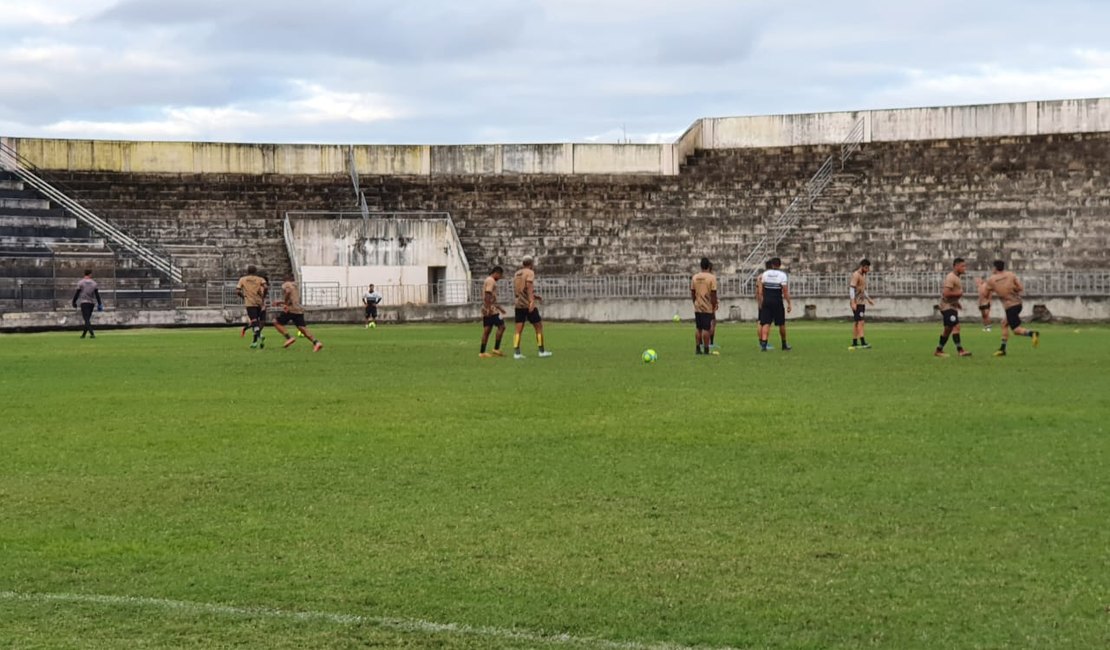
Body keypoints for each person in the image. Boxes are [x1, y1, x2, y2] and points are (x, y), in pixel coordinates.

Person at [985, 260, 1040, 356]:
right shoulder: (1011, 275)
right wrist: (1011, 289)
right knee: (1004, 324)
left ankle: (1032, 333)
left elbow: (985, 293)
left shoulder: (992, 279)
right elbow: (1020, 288)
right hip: (1018, 304)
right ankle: (1002, 349)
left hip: (1010, 307)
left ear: (994, 268)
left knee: (1016, 330)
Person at [512, 256, 551, 359]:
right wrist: (532, 301)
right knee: (538, 326)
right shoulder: (530, 273)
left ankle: (517, 353)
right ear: (531, 264)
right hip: (527, 304)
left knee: (518, 330)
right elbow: (529, 287)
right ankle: (541, 351)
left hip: (518, 304)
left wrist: (534, 296)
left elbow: (519, 289)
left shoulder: (517, 273)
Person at [271, 273, 323, 352]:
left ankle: (289, 338)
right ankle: (316, 342)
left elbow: (288, 292)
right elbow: (293, 297)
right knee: (302, 328)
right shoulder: (295, 285)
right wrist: (280, 302)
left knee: (275, 322)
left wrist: (285, 304)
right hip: (298, 309)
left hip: (290, 309)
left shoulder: (286, 284)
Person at [935, 258, 972, 357]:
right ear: (956, 266)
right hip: (947, 306)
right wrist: (958, 293)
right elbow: (946, 293)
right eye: (962, 266)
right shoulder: (951, 277)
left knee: (948, 329)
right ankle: (960, 350)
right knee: (955, 326)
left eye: (965, 266)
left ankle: (939, 350)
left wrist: (956, 302)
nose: (965, 268)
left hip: (951, 306)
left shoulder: (957, 277)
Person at [757, 257, 792, 351]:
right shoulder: (782, 275)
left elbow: (760, 291)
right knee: (781, 323)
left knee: (766, 323)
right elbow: (785, 291)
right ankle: (784, 344)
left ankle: (764, 345)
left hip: (767, 301)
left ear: (772, 265)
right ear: (779, 265)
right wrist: (789, 303)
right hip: (777, 301)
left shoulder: (765, 274)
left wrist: (761, 301)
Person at [690, 257, 719, 355]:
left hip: (698, 305)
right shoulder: (711, 278)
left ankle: (698, 348)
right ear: (708, 266)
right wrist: (714, 305)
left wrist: (695, 302)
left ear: (701, 266)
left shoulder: (695, 277)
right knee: (706, 328)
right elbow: (713, 293)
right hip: (707, 306)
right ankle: (706, 349)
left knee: (698, 328)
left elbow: (693, 292)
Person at [236, 264, 268, 349]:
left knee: (254, 321)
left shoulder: (242, 279)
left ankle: (259, 335)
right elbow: (266, 287)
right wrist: (263, 296)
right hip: (260, 303)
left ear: (247, 271)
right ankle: (255, 341)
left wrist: (244, 297)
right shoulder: (260, 279)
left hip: (250, 303)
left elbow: (238, 291)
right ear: (256, 271)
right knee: (261, 322)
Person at [479, 266, 507, 358]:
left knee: (487, 330)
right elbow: (488, 294)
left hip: (489, 308)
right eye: (500, 276)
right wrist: (489, 308)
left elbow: (491, 297)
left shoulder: (488, 280)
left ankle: (482, 352)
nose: (499, 278)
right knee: (502, 326)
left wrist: (499, 308)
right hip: (491, 309)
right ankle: (496, 349)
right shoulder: (491, 280)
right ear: (496, 273)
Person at [849, 258, 874, 350]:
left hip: (861, 302)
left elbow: (863, 290)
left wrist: (868, 299)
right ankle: (863, 342)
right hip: (857, 302)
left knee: (857, 322)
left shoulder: (863, 276)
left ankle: (854, 343)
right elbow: (852, 289)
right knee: (861, 322)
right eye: (867, 268)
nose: (868, 270)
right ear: (863, 267)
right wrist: (853, 302)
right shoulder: (856, 275)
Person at [71, 269, 104, 339]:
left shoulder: (81, 283)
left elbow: (77, 293)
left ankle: (92, 333)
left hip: (84, 302)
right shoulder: (94, 283)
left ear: (85, 274)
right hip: (91, 303)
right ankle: (83, 335)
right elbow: (97, 294)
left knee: (86, 319)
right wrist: (99, 303)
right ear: (90, 274)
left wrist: (74, 301)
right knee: (87, 319)